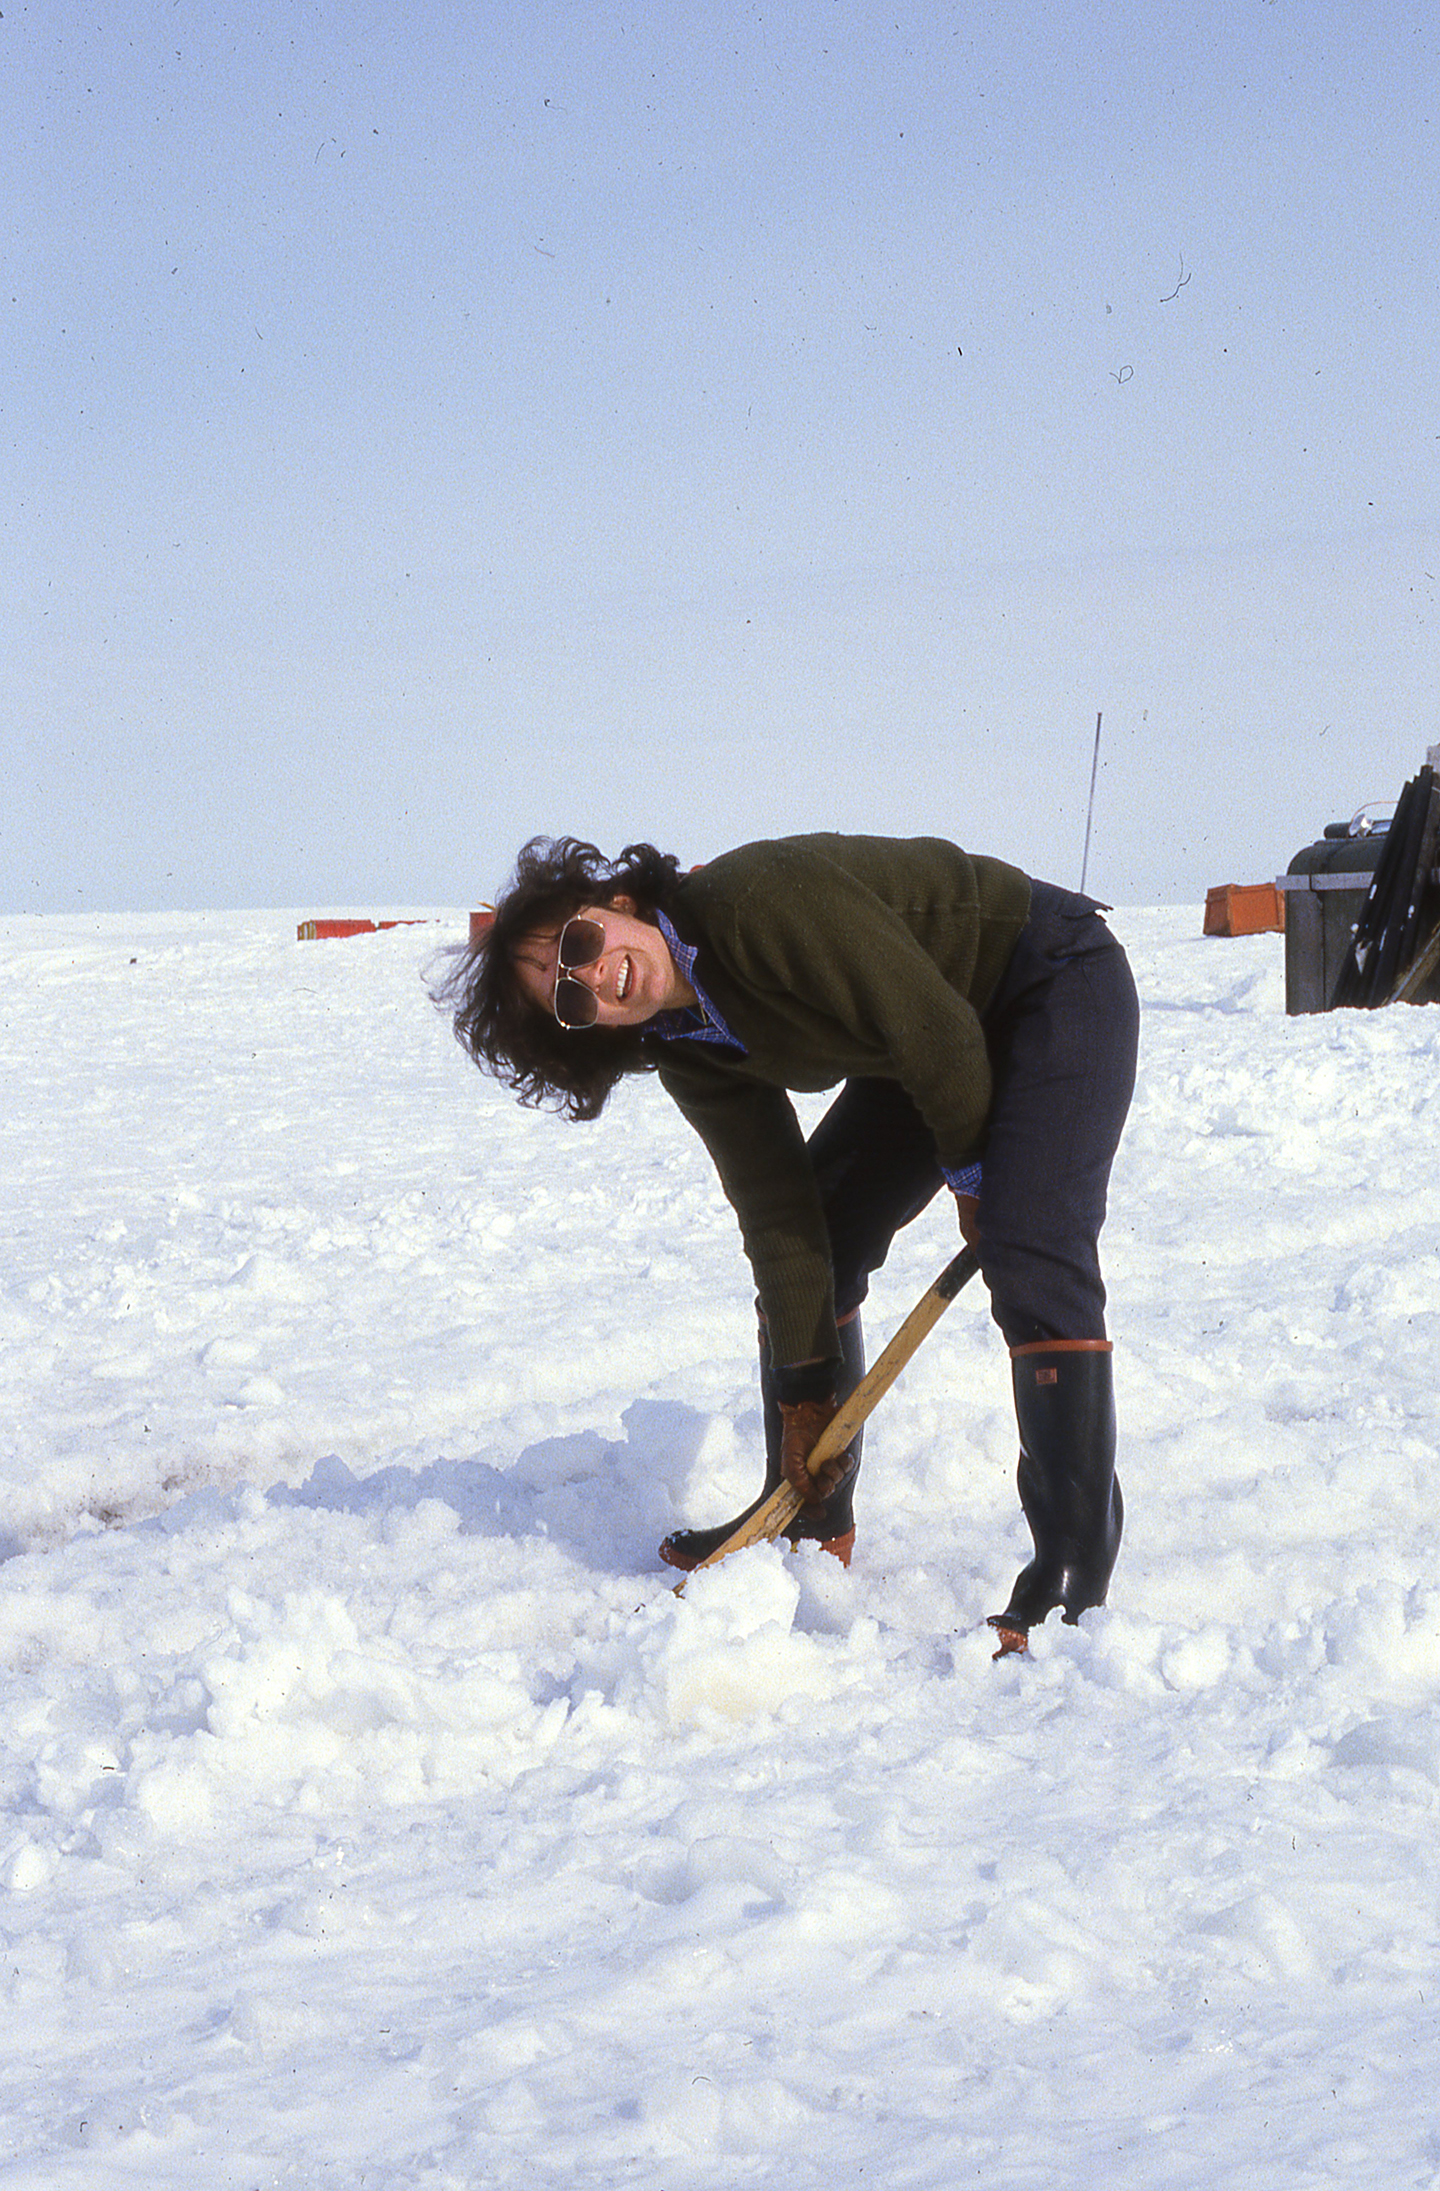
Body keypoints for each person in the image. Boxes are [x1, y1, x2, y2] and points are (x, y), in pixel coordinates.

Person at [435, 832, 1139, 1652]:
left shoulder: (751, 905)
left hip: (1045, 979)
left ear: (615, 903)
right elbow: (777, 1210)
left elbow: (939, 1033)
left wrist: (979, 1184)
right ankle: (810, 1513)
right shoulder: (688, 1047)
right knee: (827, 1230)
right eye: (568, 1001)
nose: (590, 975)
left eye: (577, 943)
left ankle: (1070, 1576)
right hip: (926, 1034)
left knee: (1030, 1239)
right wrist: (805, 1397)